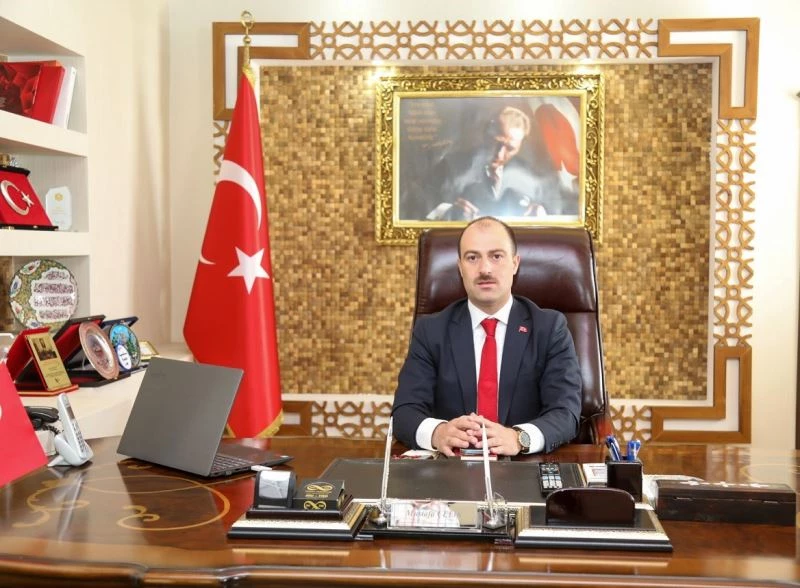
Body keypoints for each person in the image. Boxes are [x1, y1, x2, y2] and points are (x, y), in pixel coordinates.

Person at [391, 216, 582, 456]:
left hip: (523, 467)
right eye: (472, 258)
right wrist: (438, 433)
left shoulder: (549, 328)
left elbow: (566, 412)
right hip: (451, 467)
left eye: (496, 256)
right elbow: (405, 412)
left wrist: (519, 438)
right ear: (460, 267)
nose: (485, 269)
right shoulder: (431, 331)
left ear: (515, 263)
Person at [426, 106, 547, 221]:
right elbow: (423, 211)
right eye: (496, 142)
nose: (499, 154)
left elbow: (551, 211)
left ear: (520, 147)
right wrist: (450, 213)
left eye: (510, 148)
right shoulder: (449, 167)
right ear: (485, 134)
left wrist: (541, 214)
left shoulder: (530, 176)